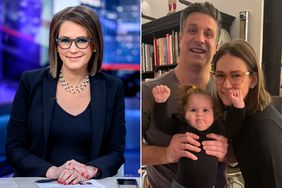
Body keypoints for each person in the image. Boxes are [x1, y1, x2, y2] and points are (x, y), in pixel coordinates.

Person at [6, 5, 125, 185]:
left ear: (94, 45)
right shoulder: (30, 82)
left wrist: (88, 170)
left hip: (87, 183)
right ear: (56, 45)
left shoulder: (112, 87)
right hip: (37, 182)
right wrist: (55, 171)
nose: (73, 49)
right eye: (65, 40)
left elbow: (116, 152)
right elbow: (14, 149)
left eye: (82, 40)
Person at [142, 2, 228, 188]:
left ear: (217, 46)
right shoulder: (149, 92)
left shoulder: (224, 93)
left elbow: (240, 148)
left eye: (208, 34)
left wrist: (227, 153)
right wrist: (166, 153)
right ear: (180, 38)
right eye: (192, 30)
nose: (200, 39)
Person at [212, 39, 282, 187]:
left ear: (253, 80)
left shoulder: (263, 127)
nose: (226, 85)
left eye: (236, 76)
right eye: (220, 75)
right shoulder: (239, 113)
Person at [153, 85, 225, 188]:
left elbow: (234, 128)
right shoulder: (182, 126)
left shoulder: (217, 128)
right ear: (184, 114)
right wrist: (160, 102)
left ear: (214, 114)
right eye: (193, 110)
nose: (200, 114)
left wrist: (238, 107)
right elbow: (161, 124)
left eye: (205, 110)